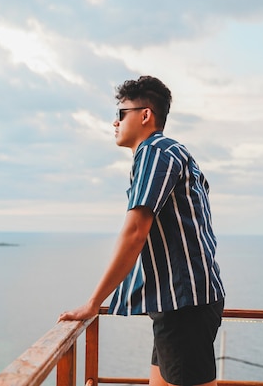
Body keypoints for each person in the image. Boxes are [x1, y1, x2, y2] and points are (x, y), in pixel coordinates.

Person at [58, 76, 225, 386]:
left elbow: (135, 231)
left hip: (184, 304)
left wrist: (93, 302)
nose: (114, 123)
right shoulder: (171, 152)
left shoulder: (155, 151)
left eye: (121, 114)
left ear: (145, 115)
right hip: (180, 302)